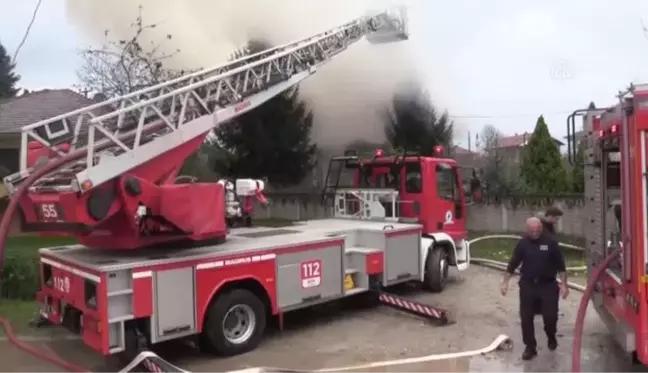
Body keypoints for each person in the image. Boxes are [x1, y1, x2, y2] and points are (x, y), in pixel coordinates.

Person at [500, 217, 569, 361]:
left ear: (541, 228)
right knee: (526, 317)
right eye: (532, 230)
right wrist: (505, 282)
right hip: (528, 285)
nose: (535, 233)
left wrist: (564, 284)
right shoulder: (523, 243)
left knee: (550, 316)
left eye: (538, 229)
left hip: (548, 285)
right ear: (527, 230)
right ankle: (530, 347)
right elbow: (513, 263)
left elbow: (561, 265)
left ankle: (551, 335)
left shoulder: (550, 242)